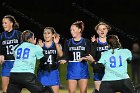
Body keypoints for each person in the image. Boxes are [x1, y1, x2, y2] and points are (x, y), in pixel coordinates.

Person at [60, 21, 91, 93]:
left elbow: (89, 55)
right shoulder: (68, 42)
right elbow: (66, 56)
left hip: (82, 69)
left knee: (83, 92)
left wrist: (84, 58)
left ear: (79, 30)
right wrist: (65, 60)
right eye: (71, 30)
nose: (71, 31)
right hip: (72, 70)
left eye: (73, 29)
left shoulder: (86, 41)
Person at [37, 27, 63, 93]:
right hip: (42, 73)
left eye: (48, 33)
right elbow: (37, 58)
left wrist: (56, 43)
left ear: (53, 35)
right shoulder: (40, 45)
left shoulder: (56, 45)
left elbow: (60, 55)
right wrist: (39, 48)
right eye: (44, 33)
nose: (46, 35)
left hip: (53, 72)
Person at [0, 15, 22, 93]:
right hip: (6, 64)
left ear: (11, 23)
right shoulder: (2, 35)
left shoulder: (19, 34)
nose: (3, 25)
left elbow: (24, 47)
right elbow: (0, 48)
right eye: (3, 23)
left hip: (17, 64)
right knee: (5, 90)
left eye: (5, 23)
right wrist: (1, 55)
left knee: (16, 90)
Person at [90, 22, 110, 93]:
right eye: (100, 29)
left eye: (104, 29)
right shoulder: (95, 42)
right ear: (97, 31)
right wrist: (93, 44)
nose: (102, 30)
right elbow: (92, 56)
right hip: (98, 70)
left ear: (107, 30)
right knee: (98, 91)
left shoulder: (111, 42)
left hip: (109, 70)